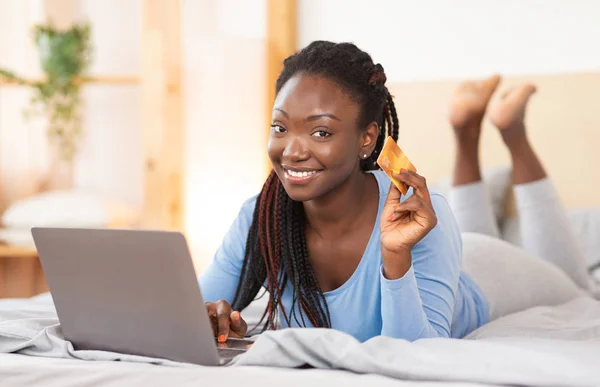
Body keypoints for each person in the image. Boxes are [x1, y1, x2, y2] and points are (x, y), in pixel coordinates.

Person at [199, 41, 590, 343]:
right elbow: (191, 313)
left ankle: (512, 134)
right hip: (456, 249)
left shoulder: (419, 214)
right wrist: (208, 317)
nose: (293, 150)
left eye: (320, 132)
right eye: (280, 128)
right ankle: (467, 131)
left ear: (367, 138)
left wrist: (395, 257)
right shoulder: (261, 218)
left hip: (493, 273)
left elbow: (416, 353)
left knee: (581, 285)